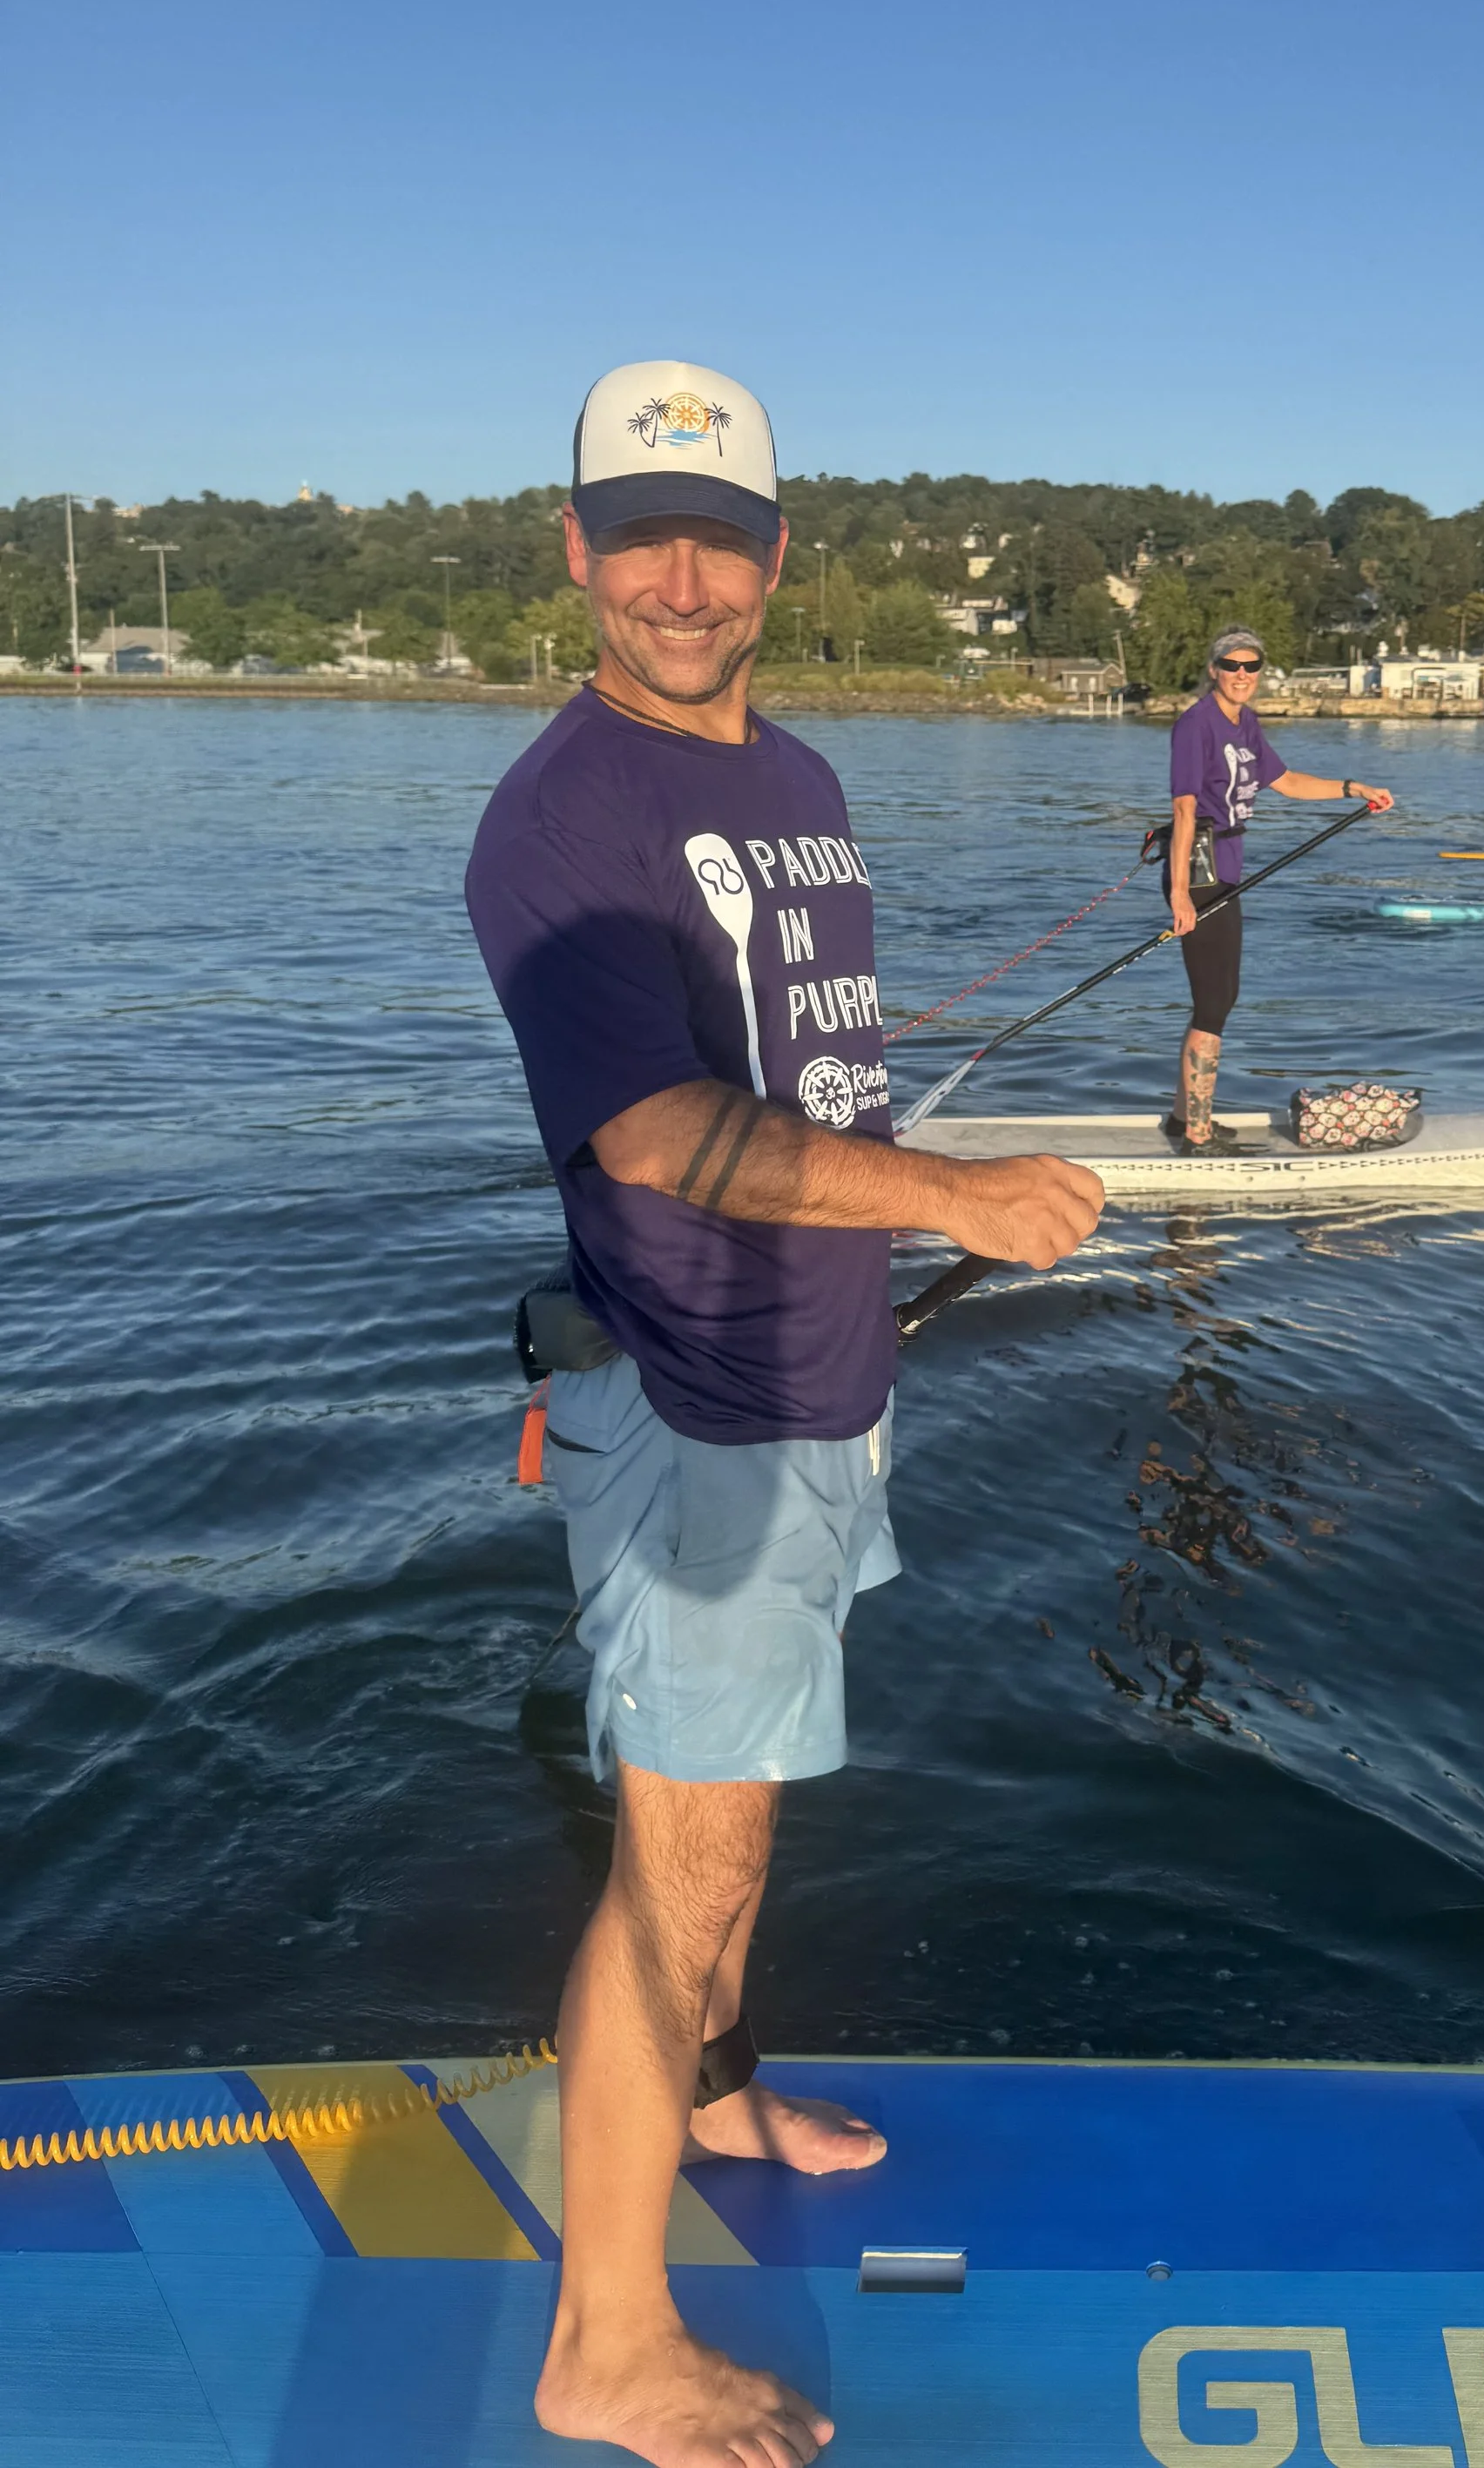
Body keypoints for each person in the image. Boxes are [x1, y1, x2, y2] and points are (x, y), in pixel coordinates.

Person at [466, 361, 1103, 2468]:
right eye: (635, 533)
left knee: (733, 1822)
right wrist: (958, 1199)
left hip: (827, 1383)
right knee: (673, 1860)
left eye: (715, 540)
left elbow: (801, 1075)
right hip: (701, 1417)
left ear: (773, 559)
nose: (675, 578)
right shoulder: (561, 823)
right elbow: (653, 1130)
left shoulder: (802, 775)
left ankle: (719, 2088)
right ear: (573, 544)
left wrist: (897, 1228)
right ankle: (609, 2344)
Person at [1165, 626, 1393, 1150]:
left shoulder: (1245, 723)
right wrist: (1180, 893)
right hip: (1199, 868)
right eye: (1231, 665)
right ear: (1213, 669)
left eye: (1251, 666)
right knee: (1214, 1001)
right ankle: (1198, 1134)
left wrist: (1352, 789)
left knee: (1220, 996)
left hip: (1228, 868)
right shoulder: (1195, 726)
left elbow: (1286, 781)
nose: (1241, 675)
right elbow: (1182, 810)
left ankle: (1183, 1117)